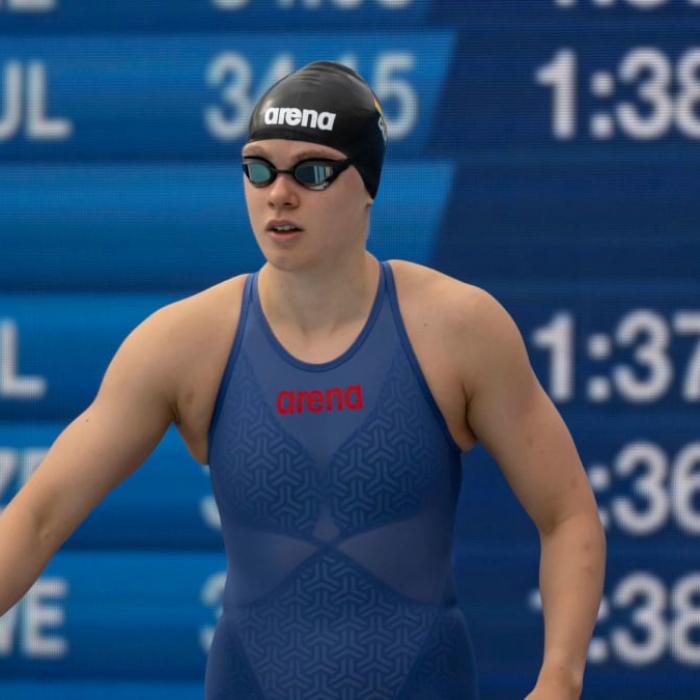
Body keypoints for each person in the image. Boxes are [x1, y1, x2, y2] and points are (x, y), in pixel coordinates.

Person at [0, 61, 605, 699]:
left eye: (311, 172)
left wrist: (559, 679)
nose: (279, 194)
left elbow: (567, 515)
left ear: (368, 184)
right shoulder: (185, 344)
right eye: (258, 170)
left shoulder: (457, 329)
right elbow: (38, 516)